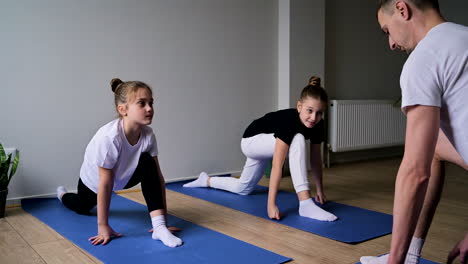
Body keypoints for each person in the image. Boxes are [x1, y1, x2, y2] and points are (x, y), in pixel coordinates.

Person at [360, 1, 468, 263]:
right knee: (434, 147)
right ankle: (410, 254)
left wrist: (392, 261)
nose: (391, 44)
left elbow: (415, 173)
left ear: (402, 9)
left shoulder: (424, 59)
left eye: (387, 31)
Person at [183, 76, 337, 222]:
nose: (313, 117)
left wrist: (320, 190)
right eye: (309, 111)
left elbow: (316, 159)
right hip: (251, 141)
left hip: (266, 144)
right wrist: (270, 205)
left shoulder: (318, 124)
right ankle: (305, 204)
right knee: (298, 138)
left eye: (319, 113)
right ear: (299, 106)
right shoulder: (290, 123)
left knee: (242, 188)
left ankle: (206, 180)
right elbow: (277, 165)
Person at [57, 78, 183, 248]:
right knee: (81, 206)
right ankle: (63, 195)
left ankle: (158, 229)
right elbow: (105, 183)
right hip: (94, 183)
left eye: (151, 103)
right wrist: (103, 226)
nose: (149, 109)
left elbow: (158, 178)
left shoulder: (148, 135)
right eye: (142, 103)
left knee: (148, 163)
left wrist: (163, 222)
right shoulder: (109, 138)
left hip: (124, 175)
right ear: (122, 109)